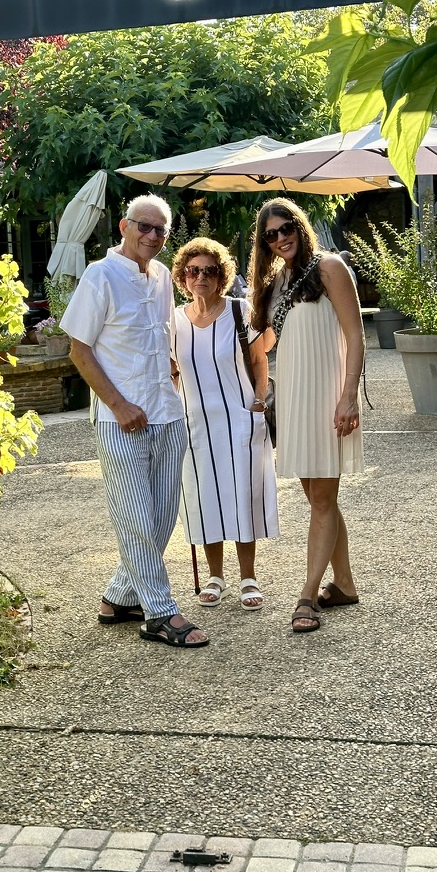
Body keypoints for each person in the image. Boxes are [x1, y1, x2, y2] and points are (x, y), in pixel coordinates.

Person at [60, 194, 208, 649]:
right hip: (121, 420)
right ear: (124, 226)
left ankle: (118, 597)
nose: (152, 236)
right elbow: (78, 351)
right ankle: (159, 614)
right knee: (137, 520)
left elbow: (157, 337)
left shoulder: (163, 277)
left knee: (161, 520)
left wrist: (170, 366)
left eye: (160, 230)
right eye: (144, 226)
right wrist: (118, 404)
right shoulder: (99, 276)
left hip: (166, 413)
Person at [247, 198, 365, 633]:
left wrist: (349, 395)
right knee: (319, 497)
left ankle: (308, 595)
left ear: (300, 226)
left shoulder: (330, 266)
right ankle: (346, 584)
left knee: (321, 498)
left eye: (286, 228)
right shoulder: (278, 280)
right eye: (270, 235)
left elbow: (356, 335)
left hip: (329, 395)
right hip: (294, 398)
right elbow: (267, 342)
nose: (280, 238)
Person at [171, 238, 279, 610]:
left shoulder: (240, 311)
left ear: (221, 277)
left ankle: (248, 576)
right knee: (203, 500)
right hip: (193, 424)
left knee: (241, 496)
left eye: (210, 271)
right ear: (183, 277)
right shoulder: (174, 321)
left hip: (238, 418)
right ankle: (215, 577)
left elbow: (259, 360)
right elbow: (171, 371)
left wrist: (259, 402)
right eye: (193, 270)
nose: (201, 277)